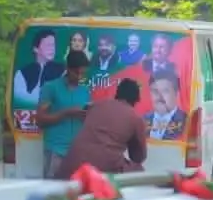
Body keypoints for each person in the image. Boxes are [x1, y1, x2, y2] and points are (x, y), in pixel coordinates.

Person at [56, 78, 148, 179]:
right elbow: (138, 157)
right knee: (139, 170)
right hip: (101, 171)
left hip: (69, 166)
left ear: (117, 94)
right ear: (135, 100)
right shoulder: (135, 118)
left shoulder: (96, 105)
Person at [35, 49, 93, 178]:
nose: (79, 77)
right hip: (56, 150)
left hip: (78, 152)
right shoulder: (51, 88)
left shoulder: (85, 91)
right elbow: (39, 120)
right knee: (52, 193)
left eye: (82, 74)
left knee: (76, 193)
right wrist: (66, 113)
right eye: (76, 73)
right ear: (67, 68)